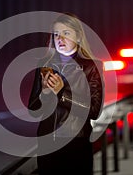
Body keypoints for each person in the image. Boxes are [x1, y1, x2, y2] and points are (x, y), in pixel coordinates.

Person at [28, 13, 104, 174]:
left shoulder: (92, 67)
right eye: (56, 34)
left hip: (76, 144)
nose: (60, 39)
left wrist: (62, 93)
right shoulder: (44, 65)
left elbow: (94, 111)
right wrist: (45, 93)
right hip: (47, 143)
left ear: (78, 37)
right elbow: (33, 111)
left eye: (66, 33)